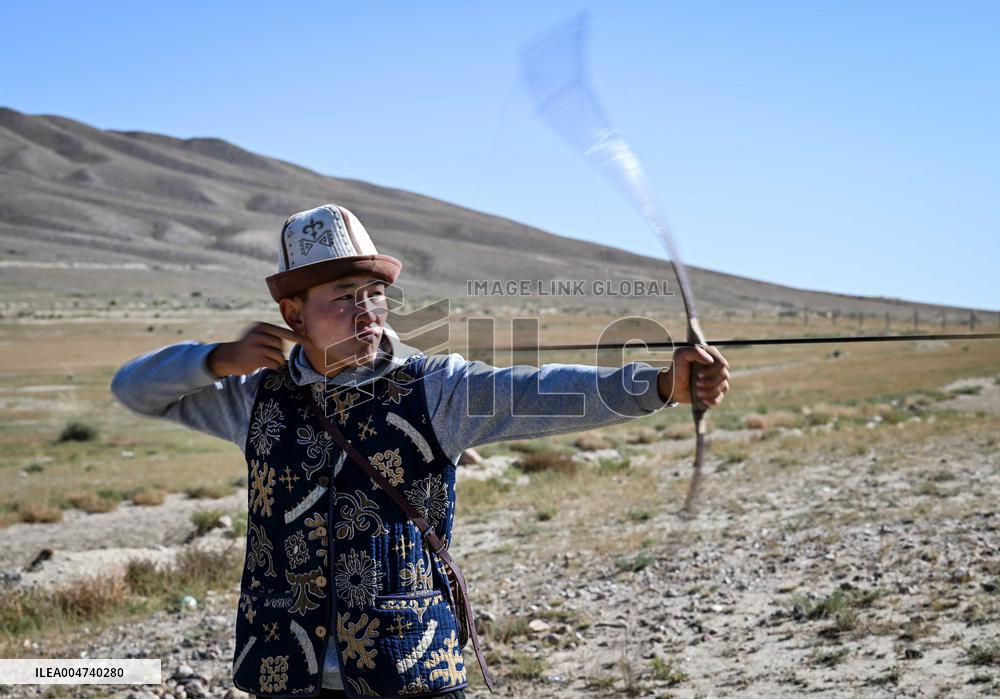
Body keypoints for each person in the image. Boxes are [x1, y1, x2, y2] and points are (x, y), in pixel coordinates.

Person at [111, 203, 730, 698]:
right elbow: (133, 389)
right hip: (284, 662)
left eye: (372, 294)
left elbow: (543, 393)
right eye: (343, 296)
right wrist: (216, 359)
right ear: (292, 313)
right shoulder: (251, 397)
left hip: (404, 664)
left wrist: (657, 386)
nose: (366, 311)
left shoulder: (436, 386)